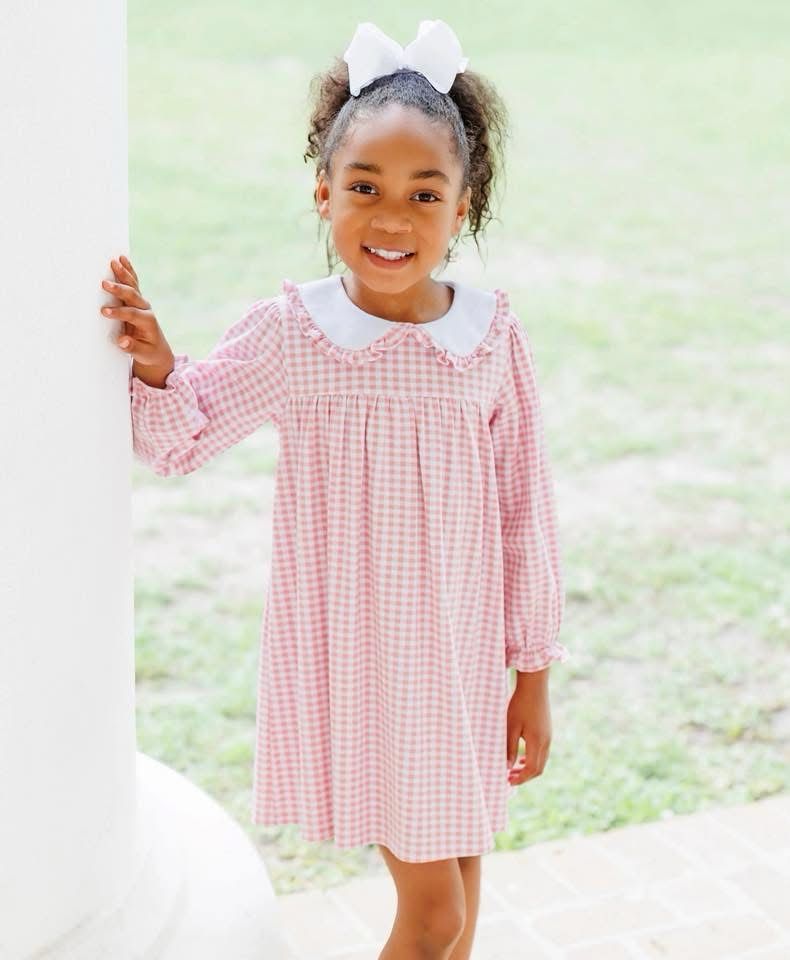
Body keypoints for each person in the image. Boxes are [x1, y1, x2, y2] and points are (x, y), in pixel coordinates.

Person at [100, 19, 571, 960]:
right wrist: (156, 366)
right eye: (364, 188)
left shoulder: (487, 339)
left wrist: (534, 679)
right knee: (433, 917)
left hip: (461, 663)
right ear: (324, 193)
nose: (391, 219)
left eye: (422, 193)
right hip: (365, 665)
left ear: (463, 204)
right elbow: (184, 430)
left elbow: (529, 513)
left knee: (462, 912)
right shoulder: (295, 336)